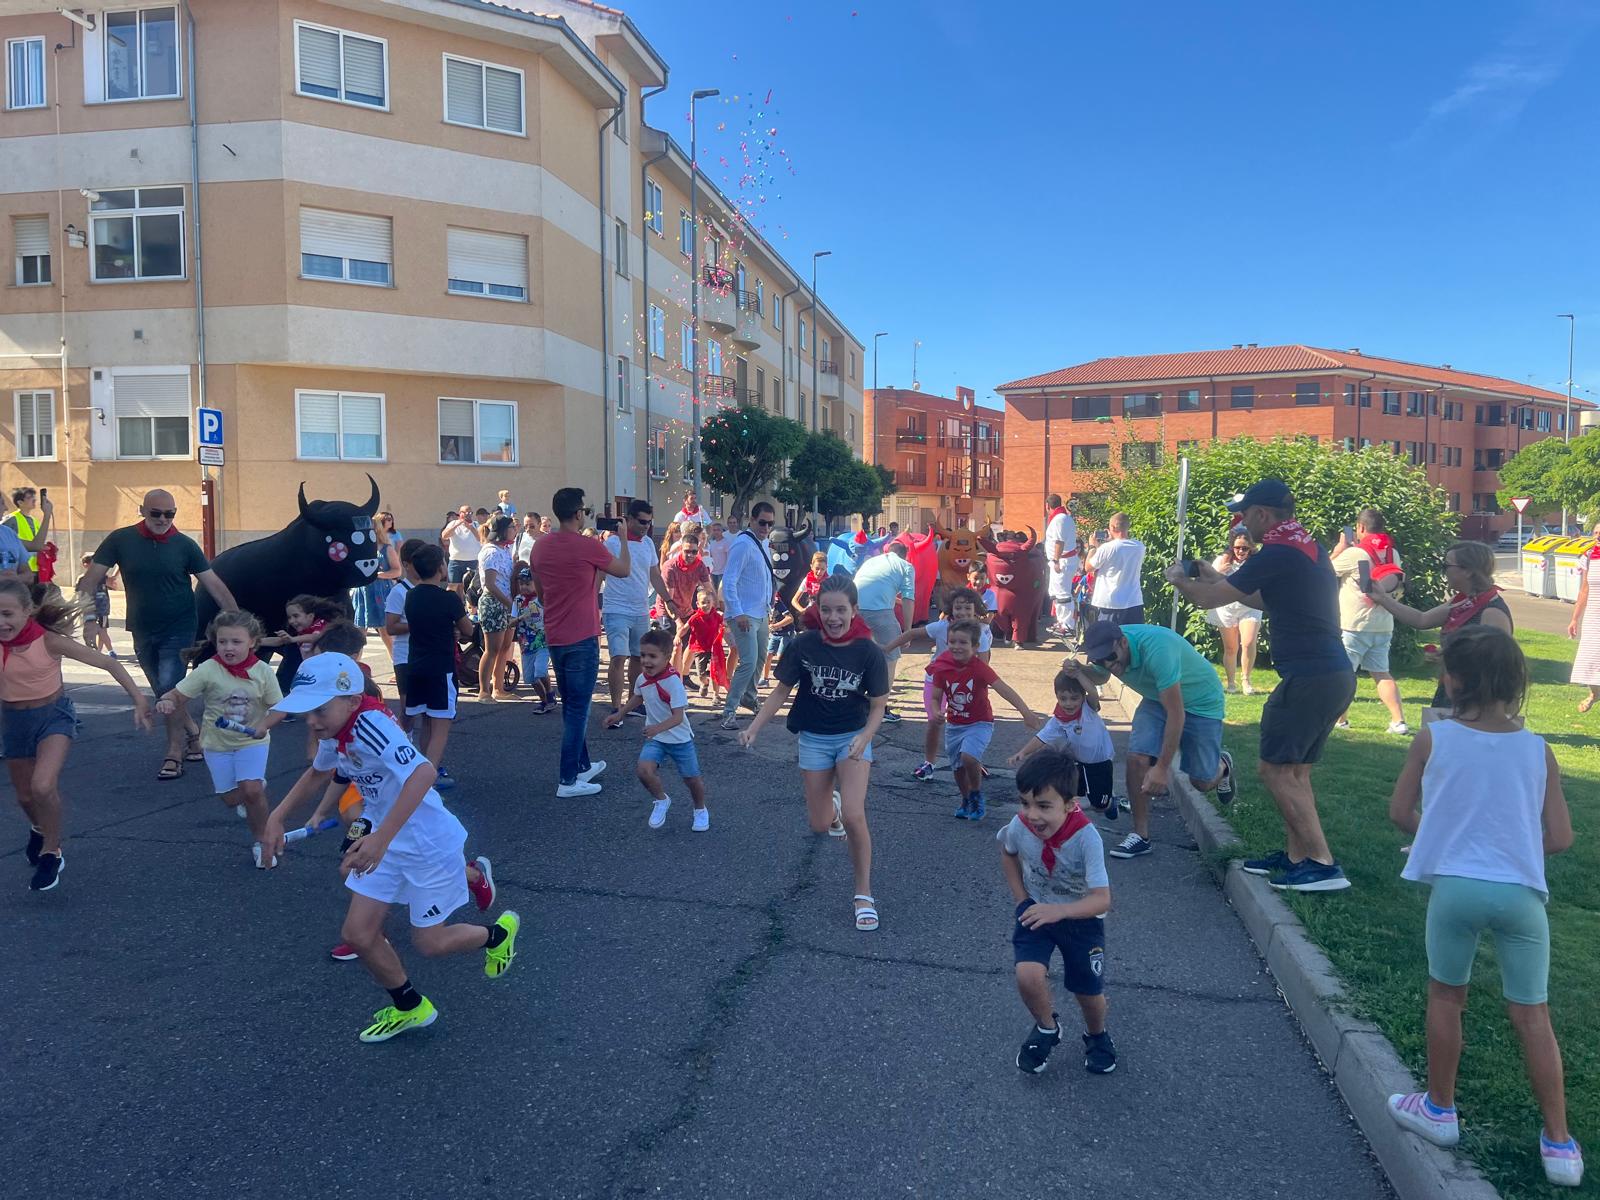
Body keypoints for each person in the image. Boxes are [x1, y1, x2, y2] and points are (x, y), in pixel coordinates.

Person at [1384, 627, 1581, 1188]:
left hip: (1456, 891)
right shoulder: (1538, 749)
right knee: (1532, 1015)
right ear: (1519, 681)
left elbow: (1401, 812)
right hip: (1520, 896)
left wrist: (1440, 842)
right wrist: (1512, 848)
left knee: (1448, 997)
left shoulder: (1434, 738)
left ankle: (1440, 1108)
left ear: (1452, 679)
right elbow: (1561, 837)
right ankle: (1560, 1144)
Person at [261, 653, 520, 1044]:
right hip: (386, 840)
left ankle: (497, 936)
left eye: (319, 710)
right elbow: (320, 772)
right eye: (306, 712)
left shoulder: (371, 724)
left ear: (350, 699)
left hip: (428, 844)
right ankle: (410, 1007)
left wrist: (380, 838)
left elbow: (423, 772)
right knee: (359, 934)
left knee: (429, 944)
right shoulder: (338, 731)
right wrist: (277, 816)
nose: (311, 722)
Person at [1166, 478, 1356, 893]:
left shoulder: (1278, 550)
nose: (1241, 521)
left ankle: (1323, 864)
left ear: (1263, 515)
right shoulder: (1304, 544)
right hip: (1331, 674)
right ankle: (1297, 857)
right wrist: (1216, 575)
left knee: (1273, 769)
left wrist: (1180, 579)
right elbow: (1271, 600)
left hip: (1309, 676)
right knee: (1295, 771)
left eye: (1245, 513)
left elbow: (1206, 600)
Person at [740, 575, 889, 931]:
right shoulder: (804, 645)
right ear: (817, 611)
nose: (834, 617)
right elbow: (780, 692)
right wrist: (754, 727)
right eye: (826, 610)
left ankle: (863, 893)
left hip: (852, 737)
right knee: (821, 824)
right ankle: (831, 807)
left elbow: (879, 705)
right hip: (813, 738)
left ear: (855, 610)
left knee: (855, 815)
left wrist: (866, 737)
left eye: (841, 610)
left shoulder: (868, 651)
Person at [78, 489, 238, 782]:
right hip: (141, 627)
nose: (163, 519)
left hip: (180, 626)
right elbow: (89, 581)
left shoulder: (184, 545)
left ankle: (173, 754)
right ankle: (193, 732)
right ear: (142, 510)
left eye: (170, 514)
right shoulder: (120, 540)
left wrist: (238, 622)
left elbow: (214, 584)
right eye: (156, 513)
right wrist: (90, 620)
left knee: (169, 689)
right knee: (166, 692)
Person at [2, 577, 151, 891]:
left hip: (53, 716)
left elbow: (109, 665)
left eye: (7, 614)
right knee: (25, 796)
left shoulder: (48, 641)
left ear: (28, 611)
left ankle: (51, 852)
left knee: (42, 786)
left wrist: (139, 699)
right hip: (14, 721)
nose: (2, 623)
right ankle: (40, 829)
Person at [1000, 749, 1116, 1076]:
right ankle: (1048, 1027)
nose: (1032, 815)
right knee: (1027, 974)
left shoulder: (1086, 838)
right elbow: (1007, 854)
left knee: (1087, 992)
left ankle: (1097, 1035)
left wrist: (1061, 911)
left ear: (1069, 804)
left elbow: (1102, 900)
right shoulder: (1019, 825)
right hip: (1037, 912)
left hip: (1081, 920)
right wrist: (1023, 900)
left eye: (1044, 806)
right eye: (1025, 803)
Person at [1077, 620, 1234, 859]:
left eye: (1110, 657)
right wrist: (1078, 670)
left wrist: (1161, 768)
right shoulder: (1108, 653)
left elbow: (1176, 713)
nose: (1108, 664)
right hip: (1156, 698)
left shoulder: (1159, 649)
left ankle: (1223, 765)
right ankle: (1141, 836)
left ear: (1123, 642)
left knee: (1201, 782)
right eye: (1099, 660)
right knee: (1136, 758)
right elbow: (1101, 678)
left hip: (1201, 702)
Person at [156, 610, 285, 868]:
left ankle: (262, 841)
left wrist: (264, 724)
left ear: (252, 642)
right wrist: (167, 701)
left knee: (251, 790)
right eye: (223, 641)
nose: (228, 647)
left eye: (236, 642)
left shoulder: (262, 672)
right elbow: (178, 694)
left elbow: (279, 707)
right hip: (217, 744)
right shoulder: (208, 669)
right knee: (231, 799)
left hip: (252, 742)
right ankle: (252, 794)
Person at [529, 487, 631, 798]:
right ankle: (568, 780)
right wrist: (623, 538)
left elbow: (542, 594)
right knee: (577, 709)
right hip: (582, 635)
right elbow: (624, 570)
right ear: (578, 514)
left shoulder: (539, 548)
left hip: (556, 634)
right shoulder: (587, 546)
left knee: (572, 705)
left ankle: (582, 765)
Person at [1368, 540, 1512, 712]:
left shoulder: (1491, 611)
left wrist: (1449, 655)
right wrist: (1382, 598)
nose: (1444, 572)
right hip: (1451, 690)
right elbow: (1422, 620)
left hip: (1476, 699)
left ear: (1467, 571)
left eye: (1446, 566)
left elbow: (1494, 664)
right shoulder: (1462, 600)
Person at [927, 619, 1042, 820]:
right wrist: (937, 711)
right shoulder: (942, 667)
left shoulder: (979, 668)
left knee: (969, 757)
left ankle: (976, 794)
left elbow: (1004, 689)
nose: (956, 646)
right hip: (954, 725)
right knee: (957, 768)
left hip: (980, 723)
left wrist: (1026, 712)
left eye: (963, 643)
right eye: (952, 641)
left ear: (975, 647)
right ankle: (965, 799)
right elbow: (936, 697)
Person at [604, 628, 709, 832]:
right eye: (643, 655)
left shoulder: (673, 682)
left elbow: (678, 717)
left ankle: (700, 809)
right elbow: (638, 696)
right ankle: (661, 800)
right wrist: (619, 713)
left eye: (652, 656)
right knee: (644, 771)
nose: (646, 660)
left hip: (679, 739)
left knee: (691, 779)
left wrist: (656, 728)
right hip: (657, 738)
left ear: (667, 657)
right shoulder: (642, 678)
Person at [883, 587, 993, 782]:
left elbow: (983, 666)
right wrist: (887, 648)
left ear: (976, 610)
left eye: (968, 608)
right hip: (936, 681)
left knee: (971, 724)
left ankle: (973, 760)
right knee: (934, 721)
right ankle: (929, 763)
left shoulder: (981, 634)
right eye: (958, 608)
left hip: (965, 685)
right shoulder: (941, 626)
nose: (963, 613)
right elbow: (911, 634)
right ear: (951, 609)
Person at [1330, 508, 1408, 734]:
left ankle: (1340, 720)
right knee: (1381, 673)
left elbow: (1324, 571)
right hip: (1383, 623)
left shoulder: (1354, 553)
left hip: (1354, 624)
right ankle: (1398, 721)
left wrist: (1338, 550)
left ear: (1360, 528)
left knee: (1344, 673)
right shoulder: (1392, 553)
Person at [1008, 666, 1119, 819]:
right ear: (1057, 697)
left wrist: (1078, 674)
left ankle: (1110, 800)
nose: (1068, 704)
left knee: (1099, 806)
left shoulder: (1088, 709)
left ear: (1082, 697)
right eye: (1063, 698)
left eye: (1074, 698)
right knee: (1072, 796)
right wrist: (1022, 752)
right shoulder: (1059, 719)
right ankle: (1068, 822)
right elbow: (1042, 737)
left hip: (1100, 762)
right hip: (1078, 761)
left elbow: (1093, 691)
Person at [402, 546, 473, 780]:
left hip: (415, 666)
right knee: (440, 727)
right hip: (440, 668)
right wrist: (454, 628)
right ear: (440, 567)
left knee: (426, 722)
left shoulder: (411, 595)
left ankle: (421, 772)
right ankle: (426, 783)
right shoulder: (448, 598)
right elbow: (468, 629)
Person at [603, 499, 676, 719]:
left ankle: (631, 704)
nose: (646, 526)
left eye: (649, 522)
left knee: (638, 656)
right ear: (630, 519)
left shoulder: (647, 544)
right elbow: (600, 574)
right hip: (616, 608)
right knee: (618, 656)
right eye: (642, 521)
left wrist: (668, 600)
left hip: (640, 609)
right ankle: (616, 706)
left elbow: (655, 575)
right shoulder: (612, 543)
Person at [718, 501, 777, 729]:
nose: (766, 527)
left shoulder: (762, 543)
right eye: (762, 522)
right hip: (744, 614)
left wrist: (768, 608)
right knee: (749, 661)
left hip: (761, 613)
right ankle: (728, 712)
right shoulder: (743, 544)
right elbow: (729, 580)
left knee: (760, 660)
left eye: (770, 523)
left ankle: (749, 698)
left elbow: (763, 579)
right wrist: (737, 612)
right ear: (752, 520)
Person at [852, 542, 916, 726]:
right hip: (879, 612)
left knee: (859, 657)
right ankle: (881, 708)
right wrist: (908, 631)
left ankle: (854, 702)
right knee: (890, 659)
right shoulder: (906, 566)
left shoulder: (872, 562)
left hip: (854, 610)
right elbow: (908, 598)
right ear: (905, 555)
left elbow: (874, 587)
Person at [1206, 529, 1261, 694]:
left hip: (1250, 606)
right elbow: (1208, 582)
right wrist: (1220, 572)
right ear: (1232, 547)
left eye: (1245, 548)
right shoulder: (1222, 560)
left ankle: (1246, 680)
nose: (1241, 551)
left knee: (1249, 642)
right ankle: (1231, 683)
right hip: (1226, 607)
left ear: (1251, 547)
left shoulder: (1256, 562)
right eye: (1237, 548)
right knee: (1230, 648)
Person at [383, 538, 427, 731]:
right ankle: (403, 744)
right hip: (405, 656)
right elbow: (391, 627)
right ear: (406, 564)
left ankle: (426, 755)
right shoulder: (399, 591)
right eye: (418, 561)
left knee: (430, 711)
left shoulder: (430, 589)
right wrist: (419, 624)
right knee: (409, 710)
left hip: (428, 654)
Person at [475, 514, 518, 701]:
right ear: (502, 531)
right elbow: (491, 585)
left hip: (507, 605)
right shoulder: (491, 551)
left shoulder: (505, 550)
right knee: (492, 649)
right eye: (512, 527)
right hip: (494, 604)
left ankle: (498, 688)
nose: (515, 531)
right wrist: (510, 604)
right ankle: (484, 691)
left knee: (504, 647)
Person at [1564, 523, 1600, 715]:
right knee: (1590, 659)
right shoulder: (1588, 557)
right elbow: (1584, 590)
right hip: (1594, 615)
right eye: (1595, 533)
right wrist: (1574, 619)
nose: (1597, 536)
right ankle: (1595, 694)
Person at [1086, 513, 1146, 626]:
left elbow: (1089, 567)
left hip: (1110, 603)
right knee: (1133, 639)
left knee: (1109, 639)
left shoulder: (1107, 548)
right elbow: (1118, 552)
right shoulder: (1140, 547)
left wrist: (1092, 547)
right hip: (1133, 601)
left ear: (1112, 527)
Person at [510, 569, 552, 712]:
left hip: (542, 641)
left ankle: (550, 693)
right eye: (521, 584)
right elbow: (511, 621)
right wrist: (519, 618)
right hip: (525, 643)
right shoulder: (518, 600)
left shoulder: (543, 599)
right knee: (530, 678)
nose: (524, 587)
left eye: (528, 583)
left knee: (540, 671)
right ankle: (544, 701)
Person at [677, 584, 727, 703]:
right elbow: (685, 628)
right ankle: (705, 683)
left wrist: (727, 628)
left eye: (708, 602)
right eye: (703, 602)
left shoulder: (717, 616)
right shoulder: (695, 618)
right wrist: (678, 636)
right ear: (698, 604)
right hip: (700, 649)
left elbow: (726, 625)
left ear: (713, 603)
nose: (706, 605)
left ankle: (716, 695)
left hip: (715, 648)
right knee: (701, 674)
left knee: (715, 672)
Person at [663, 531, 712, 639]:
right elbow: (668, 600)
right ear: (681, 549)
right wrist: (678, 622)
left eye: (694, 551)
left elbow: (709, 590)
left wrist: (715, 610)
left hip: (686, 610)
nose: (691, 555)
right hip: (667, 611)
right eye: (687, 551)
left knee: (688, 647)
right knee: (669, 649)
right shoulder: (670, 567)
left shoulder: (700, 566)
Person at [1043, 494, 1079, 639]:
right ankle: (1061, 621)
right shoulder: (1063, 518)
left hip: (1062, 561)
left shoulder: (1060, 519)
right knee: (1056, 593)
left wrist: (1056, 560)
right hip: (1060, 560)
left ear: (1047, 506)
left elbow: (1059, 542)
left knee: (1063, 594)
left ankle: (1067, 625)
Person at [3, 486, 53, 579]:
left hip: (36, 568)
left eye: (34, 497)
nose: (34, 499)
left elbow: (37, 543)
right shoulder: (11, 519)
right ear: (20, 502)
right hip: (19, 570)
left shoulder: (35, 521)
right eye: (29, 497)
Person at [77, 553, 117, 657]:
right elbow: (79, 593)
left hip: (102, 608)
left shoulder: (102, 577)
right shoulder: (82, 578)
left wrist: (113, 576)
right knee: (98, 630)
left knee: (102, 630)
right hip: (90, 608)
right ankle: (102, 651)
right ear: (85, 565)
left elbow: (112, 584)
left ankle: (105, 651)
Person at [442, 506, 481, 602]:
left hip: (473, 561)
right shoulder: (453, 523)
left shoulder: (476, 525)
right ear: (460, 513)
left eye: (470, 513)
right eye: (465, 512)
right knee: (452, 586)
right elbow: (444, 536)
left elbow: (481, 538)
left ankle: (471, 607)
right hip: (456, 561)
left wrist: (471, 528)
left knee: (472, 586)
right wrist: (456, 525)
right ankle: (446, 605)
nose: (468, 515)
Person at [706, 521, 731, 589]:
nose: (716, 532)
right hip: (713, 572)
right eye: (714, 530)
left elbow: (729, 558)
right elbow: (710, 557)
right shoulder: (712, 543)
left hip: (723, 573)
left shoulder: (726, 542)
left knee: (721, 594)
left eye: (718, 530)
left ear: (722, 531)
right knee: (714, 593)